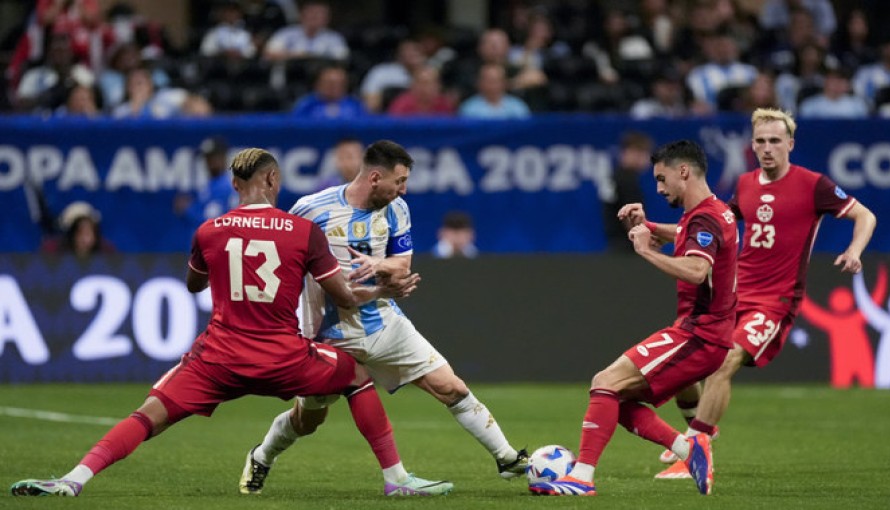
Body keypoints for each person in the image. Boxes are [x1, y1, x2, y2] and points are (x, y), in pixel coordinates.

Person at [11, 147, 449, 497]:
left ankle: (73, 479)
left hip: (218, 357)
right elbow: (344, 296)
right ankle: (396, 479)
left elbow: (193, 286)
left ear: (234, 185)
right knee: (356, 376)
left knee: (148, 416)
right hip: (283, 355)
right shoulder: (302, 231)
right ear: (273, 180)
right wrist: (385, 290)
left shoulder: (209, 230)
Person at [239, 140, 527, 495]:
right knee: (308, 419)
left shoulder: (396, 209)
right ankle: (262, 455)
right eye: (400, 181)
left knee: (451, 387)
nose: (403, 189)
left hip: (384, 322)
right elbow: (286, 267)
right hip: (328, 334)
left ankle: (508, 458)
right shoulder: (310, 210)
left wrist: (379, 265)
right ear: (376, 177)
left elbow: (402, 266)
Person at [653, 108, 877, 479]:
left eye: (775, 140)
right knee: (685, 363)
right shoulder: (745, 184)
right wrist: (648, 228)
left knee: (726, 361)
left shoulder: (813, 184)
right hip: (733, 295)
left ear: (790, 144)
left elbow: (865, 216)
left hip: (775, 303)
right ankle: (700, 426)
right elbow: (706, 227)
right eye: (760, 141)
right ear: (752, 145)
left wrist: (854, 251)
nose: (767, 148)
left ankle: (694, 449)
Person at [529, 140, 739, 497]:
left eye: (661, 179)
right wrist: (651, 226)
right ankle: (689, 449)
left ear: (683, 172)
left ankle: (581, 477)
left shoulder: (704, 216)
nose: (658, 188)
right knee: (618, 400)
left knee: (605, 381)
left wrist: (643, 249)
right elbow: (690, 235)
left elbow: (695, 268)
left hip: (700, 335)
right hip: (702, 333)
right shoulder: (713, 211)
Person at [602, 131, 654, 252]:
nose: (648, 160)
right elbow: (629, 216)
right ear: (633, 153)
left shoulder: (615, 176)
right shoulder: (627, 180)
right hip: (628, 248)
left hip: (615, 244)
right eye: (645, 154)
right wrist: (645, 244)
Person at [173, 136, 238, 231]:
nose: (209, 162)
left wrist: (187, 210)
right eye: (207, 158)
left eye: (213, 157)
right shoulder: (211, 184)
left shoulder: (225, 187)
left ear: (223, 157)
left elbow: (213, 222)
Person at [40, 201, 115, 259]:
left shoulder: (106, 252)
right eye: (80, 232)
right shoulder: (52, 251)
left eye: (90, 231)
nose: (86, 238)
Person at [291, 65, 367, 119]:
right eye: (329, 83)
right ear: (317, 84)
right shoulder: (306, 105)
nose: (334, 87)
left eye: (339, 83)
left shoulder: (355, 106)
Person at [458, 63, 530, 119]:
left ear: (505, 82)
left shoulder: (517, 106)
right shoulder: (469, 108)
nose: (493, 85)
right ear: (479, 83)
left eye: (496, 81)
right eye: (488, 81)